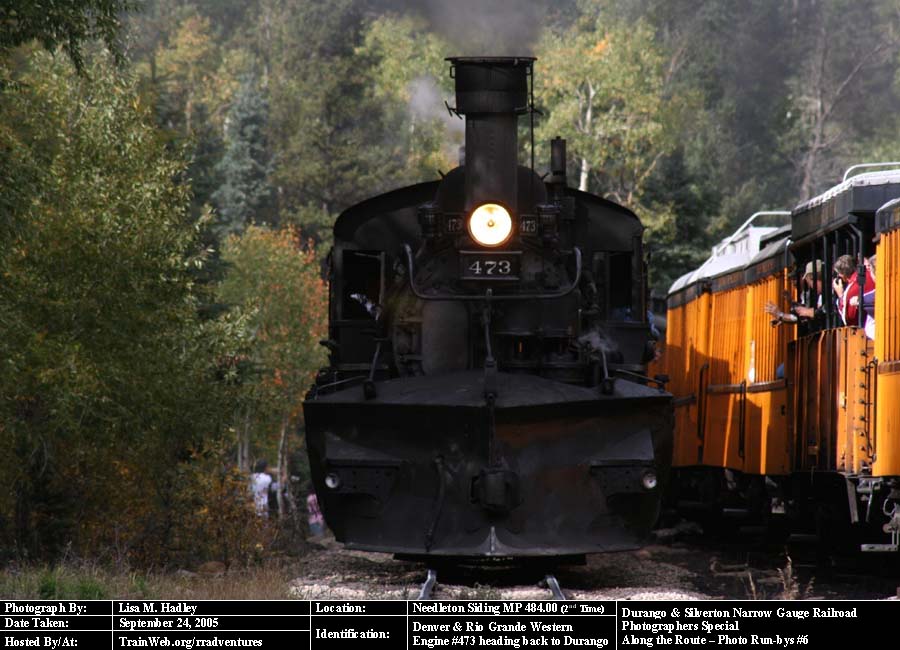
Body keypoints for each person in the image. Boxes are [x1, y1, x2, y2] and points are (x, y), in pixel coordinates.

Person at [765, 260, 825, 329]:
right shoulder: (814, 294)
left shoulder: (811, 295)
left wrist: (781, 315)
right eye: (792, 279)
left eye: (795, 279)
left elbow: (819, 312)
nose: (793, 282)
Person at [832, 254, 875, 337]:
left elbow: (848, 319)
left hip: (866, 333)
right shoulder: (870, 273)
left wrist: (841, 295)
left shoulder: (851, 290)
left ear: (842, 275)